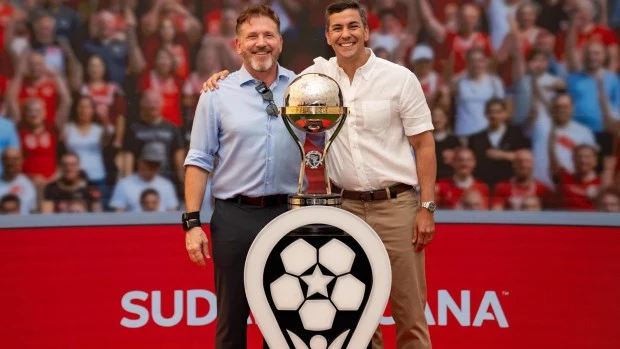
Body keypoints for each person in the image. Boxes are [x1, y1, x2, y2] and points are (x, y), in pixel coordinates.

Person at [203, 2, 437, 348]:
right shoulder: (315, 79)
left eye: (353, 26)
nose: (346, 35)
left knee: (409, 313)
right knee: (357, 316)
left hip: (396, 205)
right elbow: (264, 74)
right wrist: (224, 77)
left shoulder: (400, 78)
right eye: (338, 28)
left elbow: (425, 144)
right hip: (345, 210)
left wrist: (426, 206)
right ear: (327, 36)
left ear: (367, 31)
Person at [183, 5, 304, 349]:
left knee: (285, 319)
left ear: (280, 42)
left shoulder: (304, 89)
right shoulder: (217, 93)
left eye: (268, 35)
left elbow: (325, 141)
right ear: (238, 45)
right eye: (252, 36)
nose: (260, 43)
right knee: (232, 317)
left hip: (288, 214)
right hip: (234, 218)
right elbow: (198, 159)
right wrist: (192, 224)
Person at [110, 143, 179, 212]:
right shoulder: (124, 184)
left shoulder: (167, 185)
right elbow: (118, 213)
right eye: (149, 163)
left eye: (156, 164)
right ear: (140, 162)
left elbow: (172, 211)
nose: (152, 167)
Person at [0, 147, 36, 214]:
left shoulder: (28, 184)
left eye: (15, 159)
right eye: (7, 159)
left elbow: (33, 211)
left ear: (21, 160)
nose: (11, 162)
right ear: (2, 160)